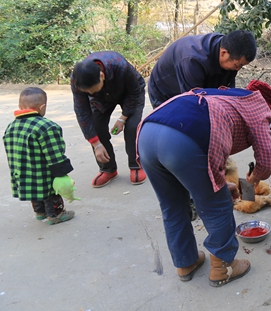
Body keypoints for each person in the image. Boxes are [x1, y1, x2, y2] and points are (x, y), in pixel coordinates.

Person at [136, 84, 271, 286]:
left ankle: (186, 262)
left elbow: (208, 152)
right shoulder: (258, 106)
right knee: (217, 206)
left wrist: (220, 182)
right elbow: (268, 160)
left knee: (172, 205)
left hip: (147, 134)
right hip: (186, 141)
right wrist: (253, 180)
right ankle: (223, 267)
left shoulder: (223, 97)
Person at [71, 51, 147, 188]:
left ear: (102, 75)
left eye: (93, 90)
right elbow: (82, 111)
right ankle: (108, 169)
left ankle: (136, 165)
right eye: (87, 92)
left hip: (130, 94)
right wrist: (96, 144)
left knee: (132, 127)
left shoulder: (120, 65)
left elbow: (135, 92)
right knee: (96, 128)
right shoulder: (77, 80)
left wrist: (123, 118)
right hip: (101, 100)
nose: (90, 94)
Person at [3, 87, 76, 224]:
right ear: (42, 107)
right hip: (42, 172)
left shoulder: (11, 127)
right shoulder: (47, 126)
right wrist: (62, 173)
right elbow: (55, 154)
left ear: (20, 106)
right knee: (50, 191)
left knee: (34, 191)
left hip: (22, 171)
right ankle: (56, 215)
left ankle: (40, 212)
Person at [148, 30, 257, 108]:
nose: (238, 69)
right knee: (180, 127)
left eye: (241, 66)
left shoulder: (230, 51)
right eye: (237, 65)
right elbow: (194, 102)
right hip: (165, 92)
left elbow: (226, 93)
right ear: (223, 53)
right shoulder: (192, 60)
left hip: (200, 83)